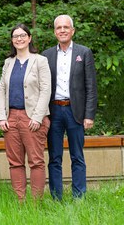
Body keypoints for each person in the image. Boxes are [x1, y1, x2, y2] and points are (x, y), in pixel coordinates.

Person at [42, 15, 98, 200]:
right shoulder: (46, 55)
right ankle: (56, 197)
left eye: (66, 27)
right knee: (54, 158)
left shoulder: (84, 52)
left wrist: (89, 115)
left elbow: (91, 86)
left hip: (76, 112)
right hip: (54, 111)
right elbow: (42, 87)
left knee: (77, 156)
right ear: (54, 32)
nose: (63, 30)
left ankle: (79, 196)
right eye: (59, 28)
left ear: (73, 30)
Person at [0, 23, 51, 201]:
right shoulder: (8, 62)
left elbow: (46, 90)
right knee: (15, 162)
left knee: (36, 161)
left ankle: (36, 203)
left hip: (32, 118)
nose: (19, 39)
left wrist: (37, 117)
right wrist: (2, 117)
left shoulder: (40, 61)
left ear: (29, 38)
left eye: (22, 35)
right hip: (11, 118)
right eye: (15, 36)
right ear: (12, 41)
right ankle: (20, 201)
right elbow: (1, 90)